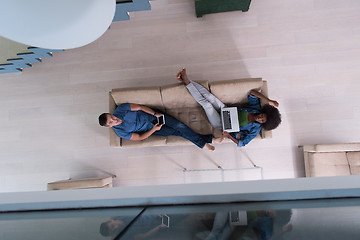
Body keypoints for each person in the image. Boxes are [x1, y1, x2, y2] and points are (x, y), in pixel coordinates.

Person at [176, 68, 281, 147]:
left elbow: (241, 143)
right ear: (264, 112)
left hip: (221, 123)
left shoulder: (255, 129)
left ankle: (186, 80)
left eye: (262, 120)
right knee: (209, 96)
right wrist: (269, 100)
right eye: (262, 115)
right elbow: (253, 93)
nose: (259, 118)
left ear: (263, 124)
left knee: (206, 104)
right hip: (226, 110)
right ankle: (186, 81)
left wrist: (228, 135)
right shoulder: (256, 108)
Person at [98, 102, 218, 151]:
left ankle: (204, 143)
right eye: (111, 122)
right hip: (152, 129)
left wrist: (155, 114)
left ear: (111, 114)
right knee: (177, 132)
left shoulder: (121, 109)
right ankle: (209, 139)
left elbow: (140, 107)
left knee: (179, 125)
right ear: (109, 126)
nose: (114, 120)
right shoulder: (120, 132)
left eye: (112, 117)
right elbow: (139, 138)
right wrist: (154, 129)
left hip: (154, 116)